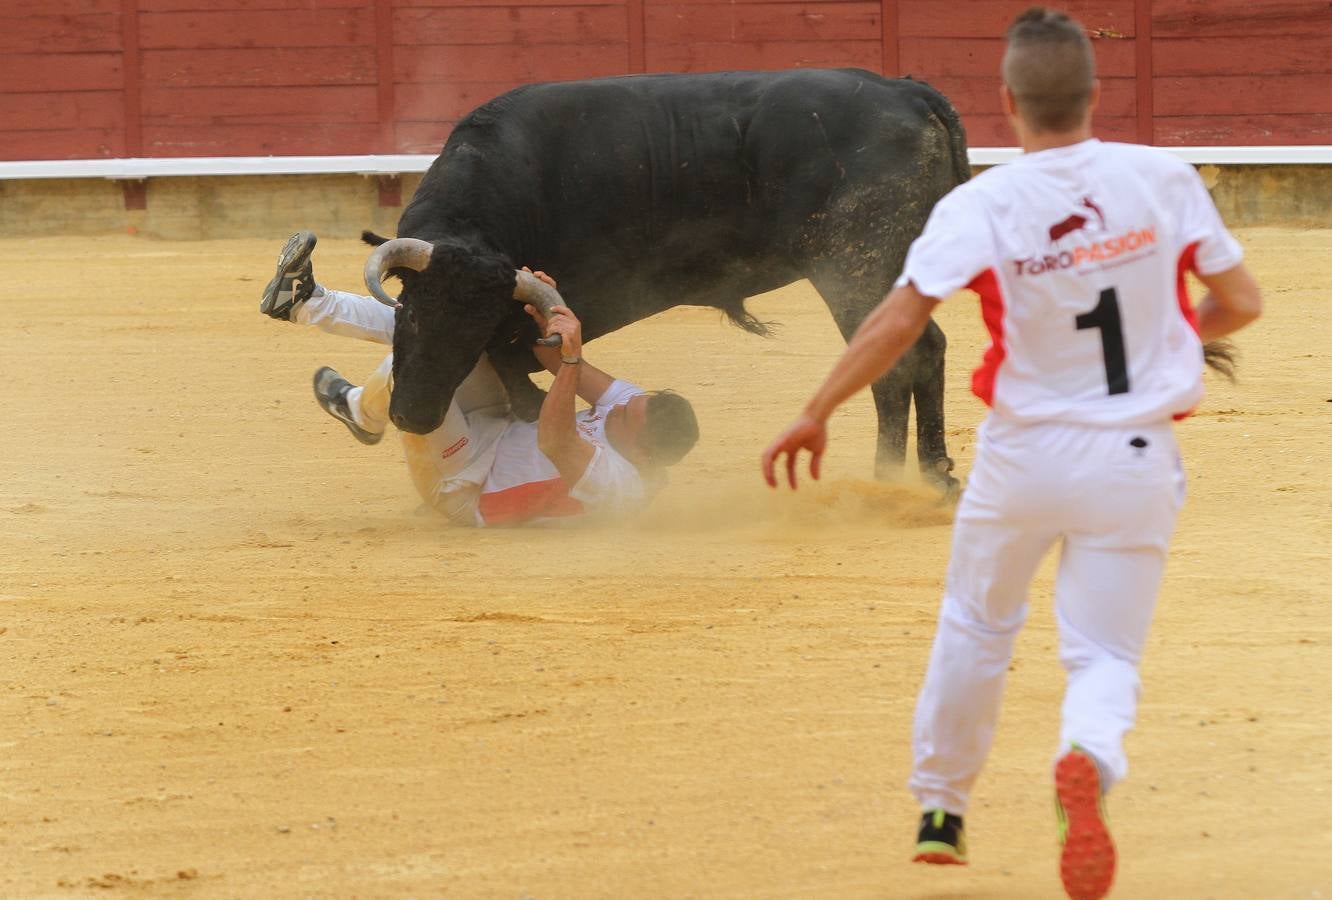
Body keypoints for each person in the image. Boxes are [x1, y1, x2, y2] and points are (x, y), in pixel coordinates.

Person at [760, 8, 1262, 899]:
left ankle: (943, 810)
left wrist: (816, 409)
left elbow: (900, 316)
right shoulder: (1164, 178)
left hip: (1023, 456)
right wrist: (1171, 347)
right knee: (1103, 655)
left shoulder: (982, 203)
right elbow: (1241, 300)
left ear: (1006, 103)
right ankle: (1086, 753)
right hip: (1135, 457)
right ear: (1095, 94)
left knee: (978, 626)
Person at [259, 231, 700, 527]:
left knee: (420, 369)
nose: (617, 408)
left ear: (643, 453)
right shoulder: (634, 411)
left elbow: (553, 438)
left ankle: (362, 411)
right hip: (495, 423)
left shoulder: (622, 488)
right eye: (627, 403)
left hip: (464, 482)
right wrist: (544, 309)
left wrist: (569, 361)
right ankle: (304, 301)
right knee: (446, 330)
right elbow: (554, 357)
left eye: (623, 418)